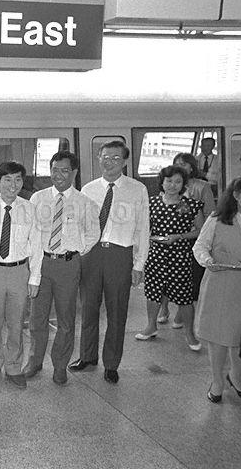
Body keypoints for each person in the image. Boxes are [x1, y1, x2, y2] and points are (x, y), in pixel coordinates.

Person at [70, 141, 149, 384]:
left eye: (115, 158)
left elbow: (143, 228)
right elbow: (80, 225)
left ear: (125, 161)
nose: (109, 161)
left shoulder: (138, 189)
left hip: (119, 254)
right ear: (98, 157)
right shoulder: (88, 188)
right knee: (89, 308)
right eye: (105, 156)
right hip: (91, 254)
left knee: (117, 311)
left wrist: (139, 264)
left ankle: (112, 363)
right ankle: (87, 356)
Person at [26, 151, 100, 386]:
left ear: (74, 173)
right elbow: (31, 232)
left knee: (66, 320)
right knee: (37, 317)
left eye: (65, 170)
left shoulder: (84, 202)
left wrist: (75, 251)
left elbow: (93, 233)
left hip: (68, 265)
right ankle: (35, 362)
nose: (58, 175)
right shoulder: (37, 199)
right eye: (55, 170)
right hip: (41, 263)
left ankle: (59, 366)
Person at [0, 161, 42, 389]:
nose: (12, 184)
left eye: (17, 179)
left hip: (19, 271)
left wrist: (34, 278)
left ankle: (14, 366)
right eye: (7, 179)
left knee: (16, 323)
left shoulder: (30, 209)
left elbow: (36, 245)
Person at [193, 175, 241, 404]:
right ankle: (216, 380)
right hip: (221, 283)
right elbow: (200, 246)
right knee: (217, 336)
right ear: (236, 196)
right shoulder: (217, 219)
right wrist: (207, 260)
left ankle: (235, 377)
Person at [135, 166, 203, 350]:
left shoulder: (190, 204)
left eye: (177, 181)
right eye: (169, 181)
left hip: (179, 255)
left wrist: (179, 237)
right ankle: (151, 326)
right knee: (153, 292)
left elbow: (200, 230)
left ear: (183, 184)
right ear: (162, 182)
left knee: (184, 296)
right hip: (155, 254)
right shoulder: (151, 203)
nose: (172, 185)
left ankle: (190, 334)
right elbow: (143, 229)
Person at [157, 152, 214, 327]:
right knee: (165, 276)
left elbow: (210, 212)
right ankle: (164, 307)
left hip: (192, 238)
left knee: (187, 278)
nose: (180, 166)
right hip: (168, 237)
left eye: (184, 163)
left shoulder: (201, 186)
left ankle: (182, 313)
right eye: (177, 163)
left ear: (192, 166)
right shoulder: (168, 185)